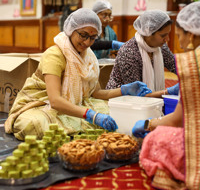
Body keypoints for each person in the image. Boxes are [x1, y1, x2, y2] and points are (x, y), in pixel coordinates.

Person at [4, 8, 152, 141]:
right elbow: (55, 101)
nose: (87, 42)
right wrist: (91, 115)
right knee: (33, 125)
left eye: (93, 38)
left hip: (78, 103)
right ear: (71, 30)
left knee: (112, 110)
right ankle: (80, 123)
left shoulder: (89, 57)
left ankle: (76, 124)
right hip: (42, 104)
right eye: (83, 35)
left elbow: (97, 93)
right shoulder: (54, 55)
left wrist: (124, 90)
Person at [132, 2, 200, 189]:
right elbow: (134, 94)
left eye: (177, 35)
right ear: (149, 33)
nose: (172, 41)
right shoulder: (130, 51)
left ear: (192, 35)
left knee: (157, 138)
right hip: (136, 100)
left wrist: (148, 124)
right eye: (165, 36)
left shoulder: (192, 61)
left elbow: (179, 119)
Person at [106, 10, 176, 94]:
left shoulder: (160, 48)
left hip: (147, 98)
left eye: (168, 34)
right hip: (121, 100)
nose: (167, 39)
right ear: (148, 33)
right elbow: (137, 93)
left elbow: (175, 66)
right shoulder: (129, 52)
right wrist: (167, 92)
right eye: (163, 35)